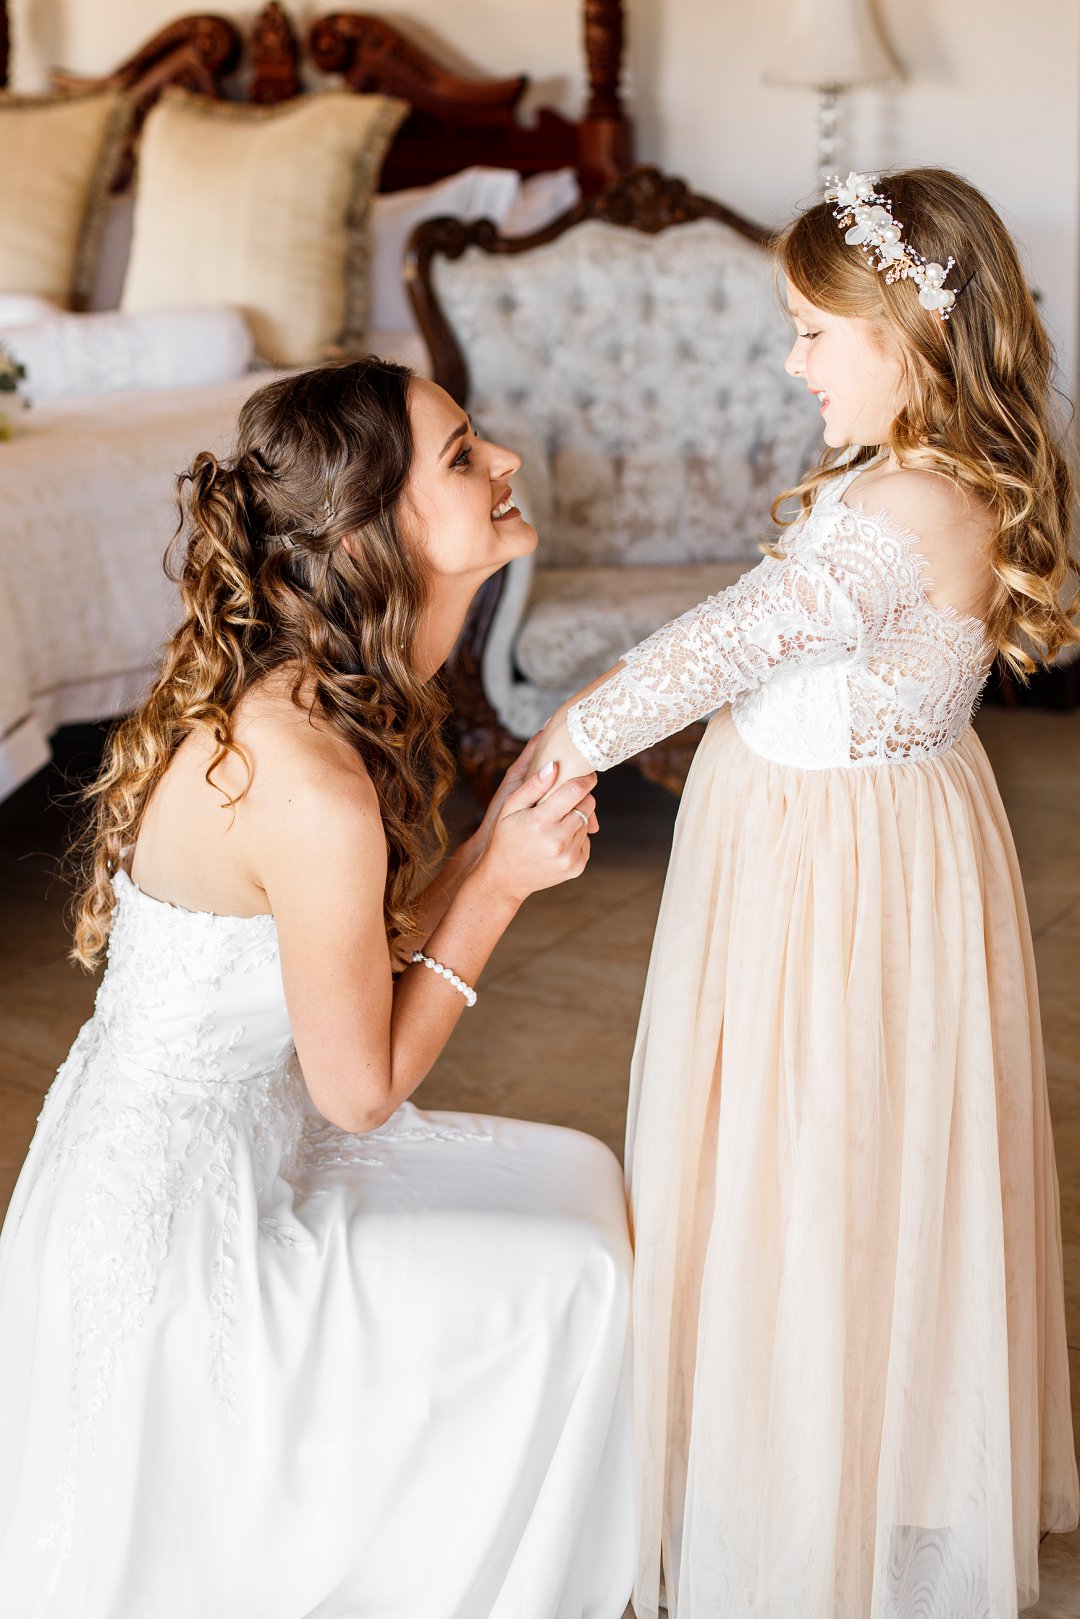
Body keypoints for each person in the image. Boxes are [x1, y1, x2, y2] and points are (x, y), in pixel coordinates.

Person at [0, 359, 634, 1618]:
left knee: (580, 1177)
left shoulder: (328, 699)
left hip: (231, 1153)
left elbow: (341, 966)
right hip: (183, 1242)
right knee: (577, 1269)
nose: (505, 460)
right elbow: (361, 1088)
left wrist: (487, 839)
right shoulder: (310, 776)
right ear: (365, 537)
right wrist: (499, 885)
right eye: (463, 456)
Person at [535, 168, 1080, 1618]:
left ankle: (806, 1486)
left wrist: (562, 744)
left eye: (811, 332)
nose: (792, 362)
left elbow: (726, 641)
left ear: (908, 332)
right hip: (855, 843)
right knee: (846, 1143)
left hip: (837, 885)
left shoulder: (906, 503)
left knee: (819, 1146)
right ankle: (834, 1450)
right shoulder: (906, 472)